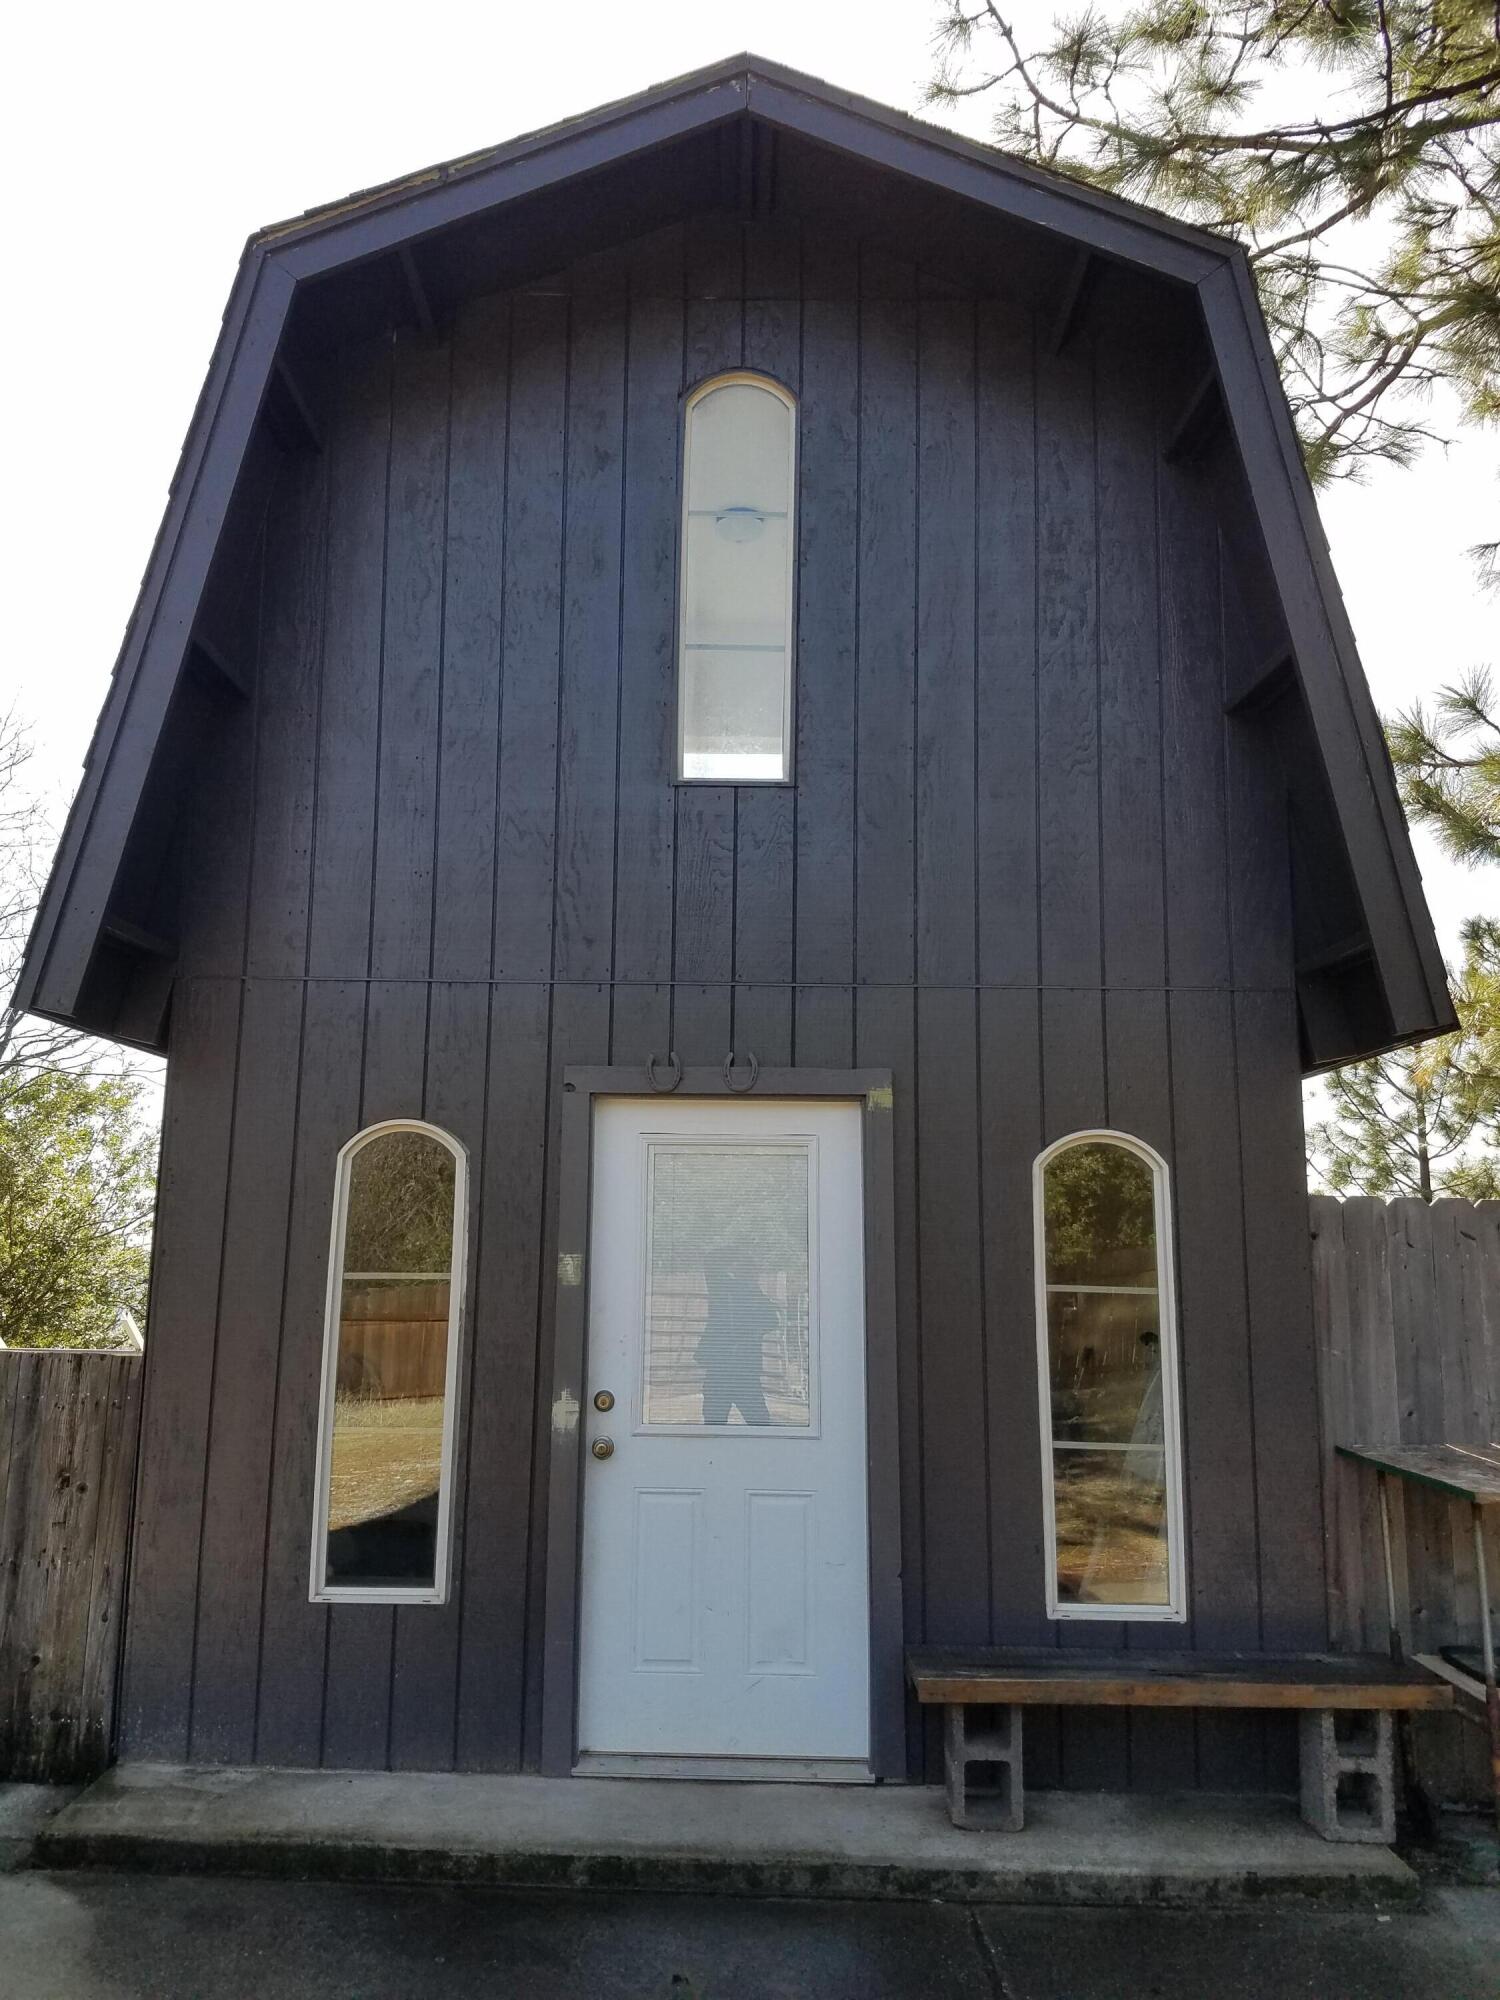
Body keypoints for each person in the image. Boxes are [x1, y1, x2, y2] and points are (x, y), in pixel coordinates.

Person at [699, 1250, 779, 1426]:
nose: (753, 1275)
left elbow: (773, 1320)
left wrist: (753, 1333)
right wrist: (737, 1254)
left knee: (760, 1425)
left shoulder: (756, 1296)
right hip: (720, 1371)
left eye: (753, 1271)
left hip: (744, 1373)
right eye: (748, 1270)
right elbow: (711, 1259)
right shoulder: (722, 1288)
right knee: (714, 1426)